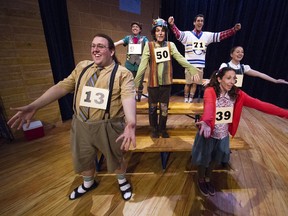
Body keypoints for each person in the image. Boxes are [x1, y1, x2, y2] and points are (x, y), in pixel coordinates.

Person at [7, 34, 136, 201]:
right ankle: (88, 183)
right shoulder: (82, 67)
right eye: (93, 46)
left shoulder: (122, 74)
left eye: (100, 46)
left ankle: (122, 181)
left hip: (108, 126)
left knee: (116, 157)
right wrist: (35, 105)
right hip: (80, 124)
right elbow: (62, 86)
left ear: (111, 51)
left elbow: (128, 97)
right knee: (83, 157)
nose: (95, 50)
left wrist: (131, 122)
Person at [192, 67, 288, 197]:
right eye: (228, 78)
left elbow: (260, 104)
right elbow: (209, 106)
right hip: (208, 131)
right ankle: (201, 179)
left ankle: (208, 179)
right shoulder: (210, 91)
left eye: (234, 79)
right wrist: (207, 121)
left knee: (215, 159)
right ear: (219, 79)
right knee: (204, 158)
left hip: (222, 134)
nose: (232, 82)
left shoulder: (237, 94)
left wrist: (285, 114)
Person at [134, 18, 200, 138]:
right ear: (154, 32)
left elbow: (180, 58)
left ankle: (162, 128)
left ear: (165, 32)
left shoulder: (171, 45)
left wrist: (192, 68)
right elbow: (142, 66)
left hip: (166, 85)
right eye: (157, 30)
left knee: (164, 108)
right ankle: (153, 128)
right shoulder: (149, 46)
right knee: (152, 108)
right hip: (153, 84)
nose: (160, 33)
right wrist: (136, 84)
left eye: (163, 30)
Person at [168, 15, 241, 103]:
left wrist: (233, 30)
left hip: (200, 65)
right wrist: (172, 25)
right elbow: (178, 34)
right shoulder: (187, 35)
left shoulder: (207, 35)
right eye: (198, 21)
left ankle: (191, 99)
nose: (200, 22)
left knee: (195, 83)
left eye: (202, 21)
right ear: (194, 22)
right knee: (188, 83)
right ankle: (186, 98)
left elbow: (221, 35)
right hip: (189, 65)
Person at [219, 46, 288, 87]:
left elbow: (260, 74)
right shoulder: (225, 66)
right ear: (231, 54)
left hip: (235, 95)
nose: (240, 54)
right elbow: (217, 78)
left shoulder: (244, 68)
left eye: (242, 52)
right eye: (237, 52)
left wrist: (275, 81)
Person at [114, 21, 149, 101]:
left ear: (140, 29)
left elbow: (148, 45)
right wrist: (113, 44)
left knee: (139, 83)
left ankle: (139, 97)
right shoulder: (128, 38)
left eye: (137, 27)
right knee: (128, 81)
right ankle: (129, 98)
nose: (135, 28)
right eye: (133, 27)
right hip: (129, 64)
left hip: (140, 65)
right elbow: (119, 42)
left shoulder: (144, 38)